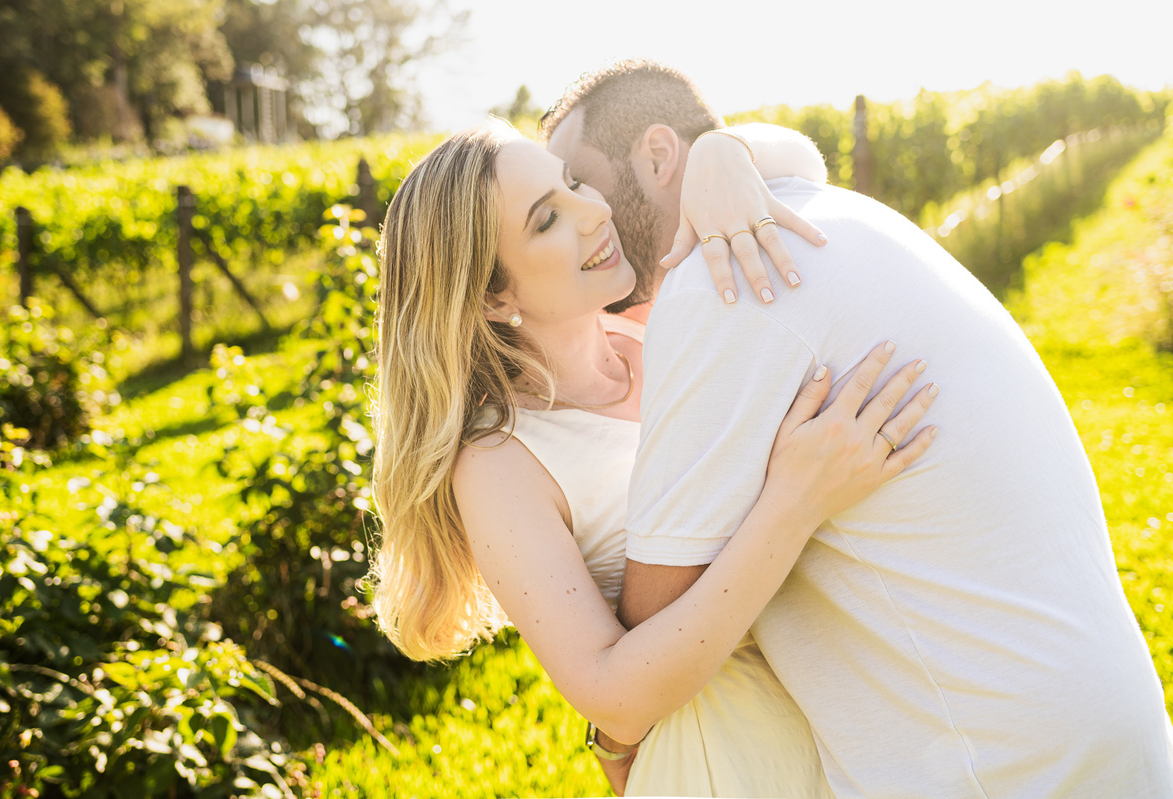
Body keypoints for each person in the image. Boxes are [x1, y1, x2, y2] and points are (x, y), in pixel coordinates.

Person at [541, 59, 1173, 797]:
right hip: (1101, 725)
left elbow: (655, 610)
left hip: (992, 765)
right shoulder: (846, 214)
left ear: (655, 154)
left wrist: (613, 740)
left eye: (581, 182)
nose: (585, 214)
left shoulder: (720, 282)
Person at [369, 118, 939, 797]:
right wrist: (796, 502)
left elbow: (802, 165)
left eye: (575, 181)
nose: (594, 211)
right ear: (495, 295)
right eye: (548, 218)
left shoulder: (666, 325)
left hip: (848, 731)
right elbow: (612, 696)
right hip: (727, 762)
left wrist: (724, 153)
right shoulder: (500, 460)